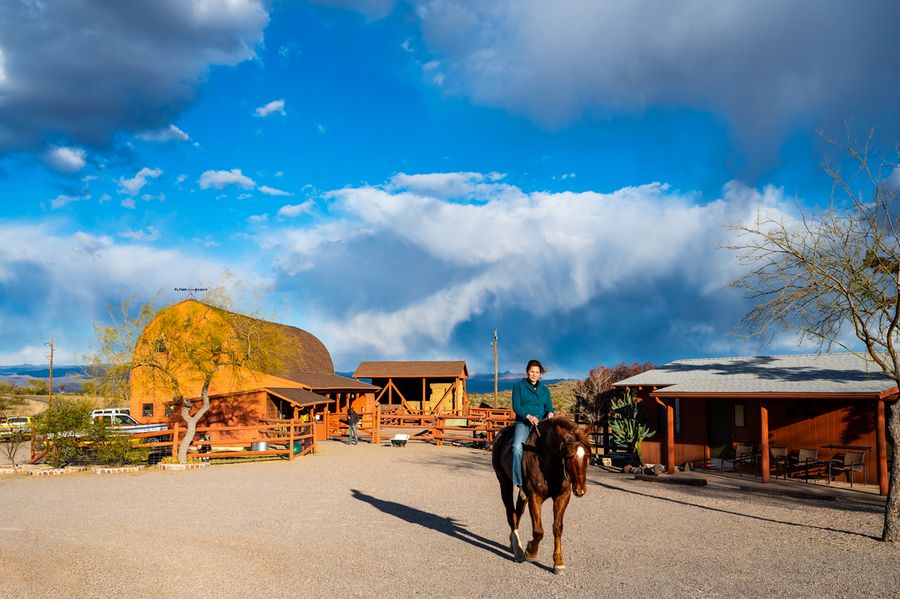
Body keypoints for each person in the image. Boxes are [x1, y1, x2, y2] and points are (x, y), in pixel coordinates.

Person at [511, 359, 555, 501]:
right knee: (517, 447)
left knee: (553, 448)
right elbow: (516, 407)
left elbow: (549, 407)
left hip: (541, 423)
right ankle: (519, 483)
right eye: (532, 371)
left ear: (540, 373)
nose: (534, 374)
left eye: (537, 372)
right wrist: (528, 416)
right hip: (524, 422)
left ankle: (551, 479)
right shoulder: (519, 386)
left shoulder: (545, 390)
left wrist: (550, 413)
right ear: (527, 371)